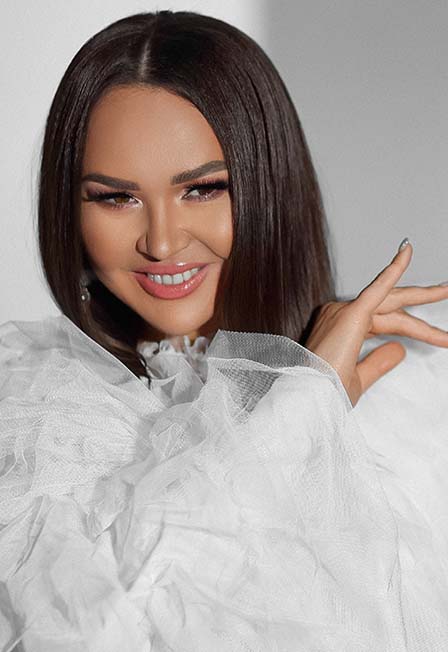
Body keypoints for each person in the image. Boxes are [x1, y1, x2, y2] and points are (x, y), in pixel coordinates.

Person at [0, 9, 447, 651]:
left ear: (269, 187)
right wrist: (299, 410)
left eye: (203, 189)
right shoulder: (37, 427)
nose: (161, 242)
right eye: (116, 197)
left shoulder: (419, 385)